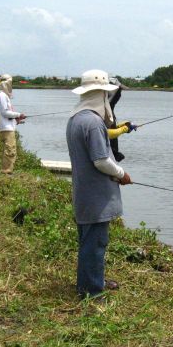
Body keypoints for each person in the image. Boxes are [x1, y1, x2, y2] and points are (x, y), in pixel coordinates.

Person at [66, 69, 133, 300]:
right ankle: (92, 292)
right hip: (96, 196)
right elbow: (101, 160)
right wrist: (122, 173)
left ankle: (92, 280)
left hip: (84, 193)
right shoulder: (93, 122)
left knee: (89, 241)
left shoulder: (76, 118)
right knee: (95, 244)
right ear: (101, 96)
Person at [0, 74, 26, 174]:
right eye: (10, 83)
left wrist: (16, 119)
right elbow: (5, 112)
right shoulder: (2, 96)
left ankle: (7, 170)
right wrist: (18, 114)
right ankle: (6, 171)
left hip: (8, 127)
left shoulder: (4, 96)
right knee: (10, 150)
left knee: (10, 150)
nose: (11, 85)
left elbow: (7, 115)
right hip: (6, 128)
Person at [106, 77, 136, 161]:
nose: (119, 94)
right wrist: (124, 129)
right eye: (119, 91)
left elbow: (109, 127)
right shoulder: (101, 110)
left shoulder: (109, 109)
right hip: (104, 159)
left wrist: (124, 125)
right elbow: (102, 133)